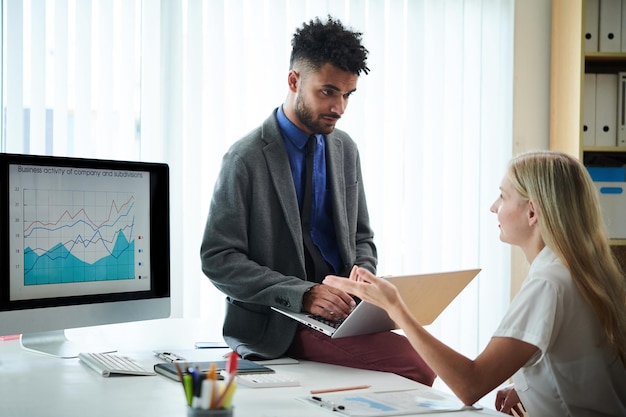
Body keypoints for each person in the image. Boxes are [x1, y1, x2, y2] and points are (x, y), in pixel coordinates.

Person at [199, 16, 435, 386]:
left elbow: (362, 238)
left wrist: (360, 280)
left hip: (343, 312)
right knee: (417, 363)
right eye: (328, 92)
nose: (339, 107)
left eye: (347, 95)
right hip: (278, 322)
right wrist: (304, 294)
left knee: (426, 349)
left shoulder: (345, 149)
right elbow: (218, 259)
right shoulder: (245, 157)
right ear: (294, 81)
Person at [324, 150, 626, 416]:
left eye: (503, 196)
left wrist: (396, 307)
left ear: (532, 212)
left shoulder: (548, 283)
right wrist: (529, 387)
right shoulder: (582, 270)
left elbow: (470, 385)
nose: (494, 207)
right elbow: (580, 363)